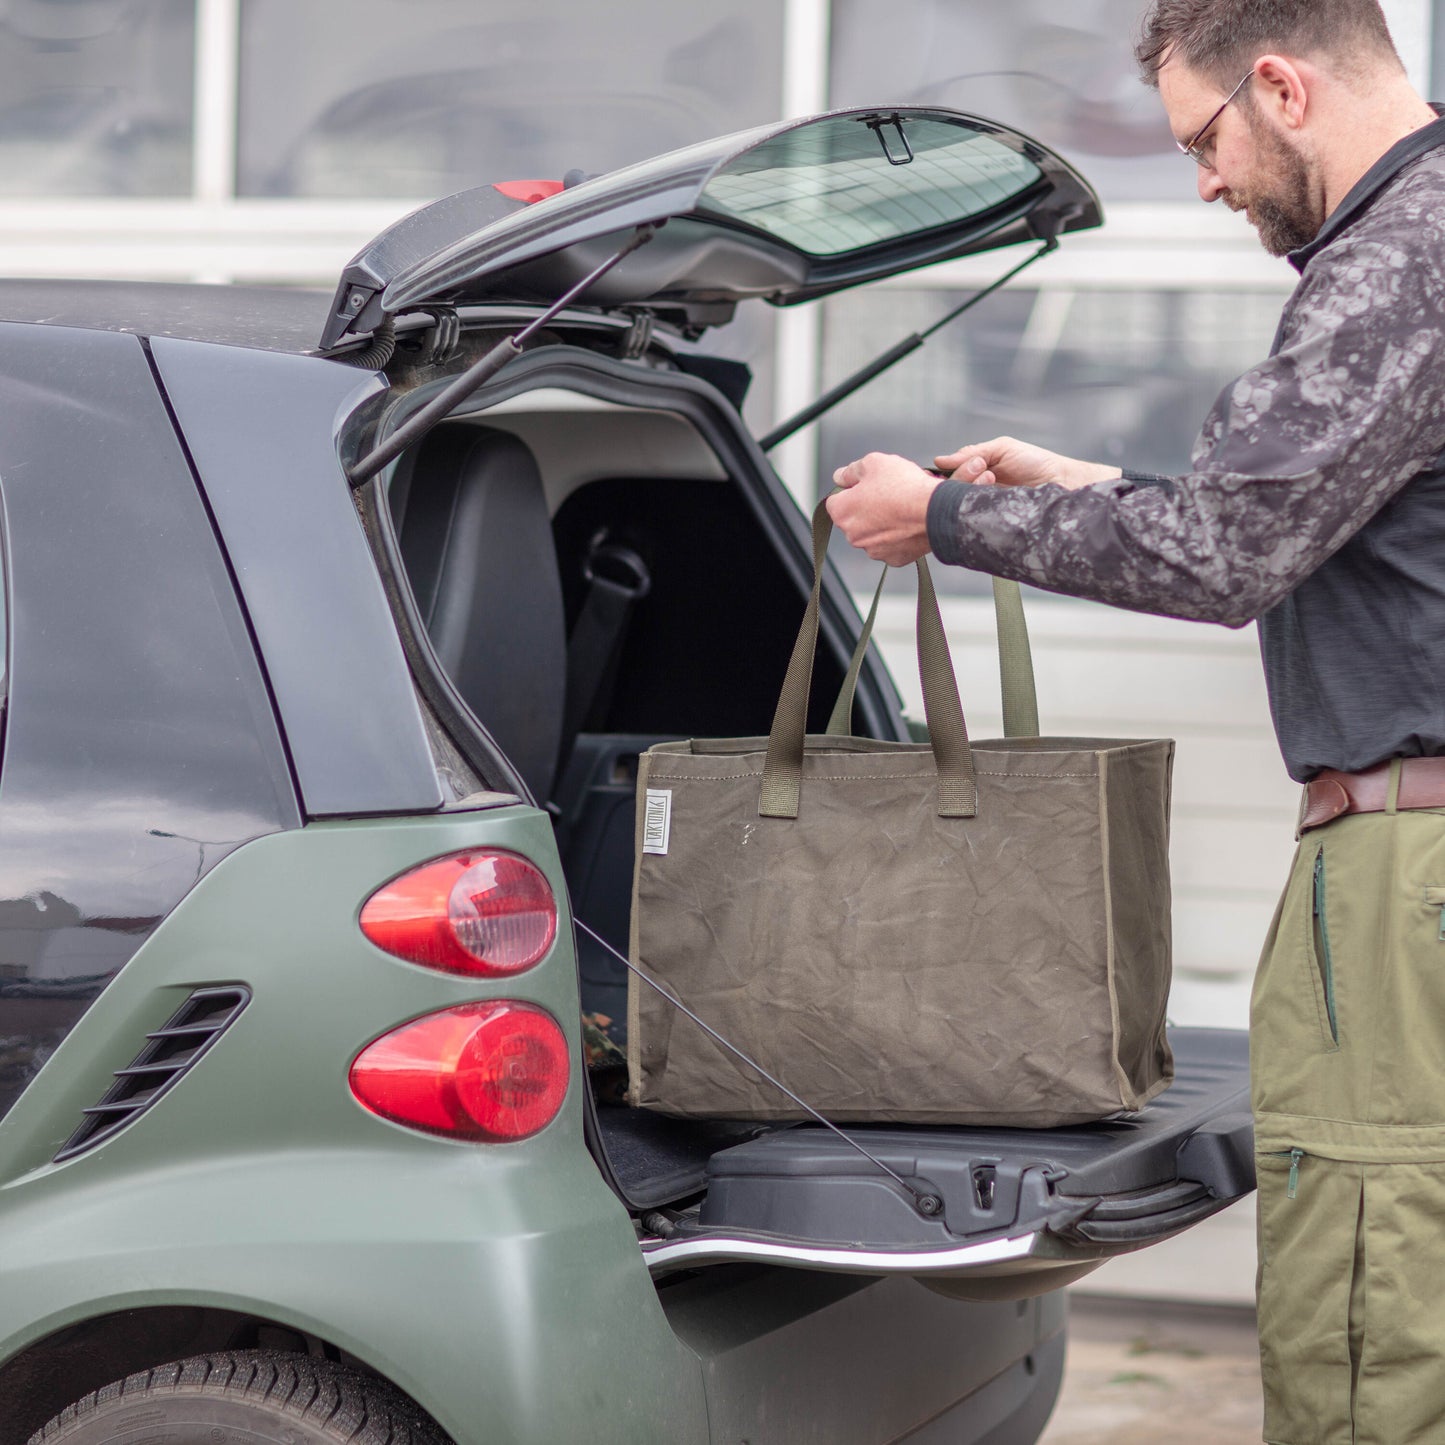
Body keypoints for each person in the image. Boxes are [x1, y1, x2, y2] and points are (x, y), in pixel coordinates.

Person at [827, 2, 1445, 1440]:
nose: (1207, 183)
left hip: (1407, 881)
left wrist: (948, 517)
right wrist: (1081, 484)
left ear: (1279, 84)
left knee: (1376, 1294)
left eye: (1203, 141)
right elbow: (1337, 520)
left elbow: (1227, 554)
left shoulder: (1395, 259)